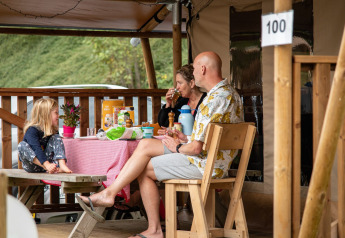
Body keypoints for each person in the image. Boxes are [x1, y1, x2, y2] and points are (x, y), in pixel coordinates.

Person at [77, 51, 243, 238]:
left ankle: (152, 227)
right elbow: (208, 139)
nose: (194, 73)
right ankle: (111, 194)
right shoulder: (231, 94)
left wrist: (178, 147)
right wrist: (184, 138)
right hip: (218, 163)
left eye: (195, 68)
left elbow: (196, 149)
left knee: (144, 169)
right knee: (147, 145)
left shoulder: (213, 100)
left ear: (202, 69)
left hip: (205, 165)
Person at [18, 98, 72, 174]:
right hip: (32, 165)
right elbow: (36, 149)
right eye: (56, 112)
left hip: (49, 164)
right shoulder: (32, 130)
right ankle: (48, 166)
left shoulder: (53, 130)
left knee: (56, 138)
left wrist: (50, 165)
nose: (58, 115)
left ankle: (62, 165)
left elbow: (57, 148)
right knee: (21, 145)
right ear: (46, 115)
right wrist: (46, 165)